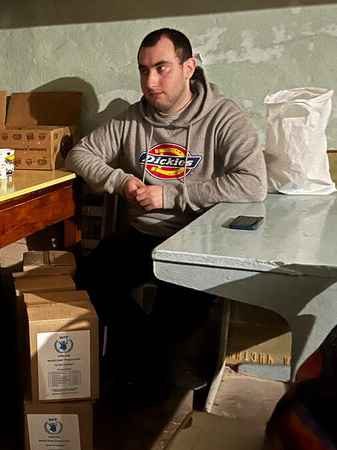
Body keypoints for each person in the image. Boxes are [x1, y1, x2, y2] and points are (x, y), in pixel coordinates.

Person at [65, 28, 267, 393]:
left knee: (163, 355)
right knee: (89, 280)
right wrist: (120, 180)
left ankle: (149, 363)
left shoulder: (223, 117)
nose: (150, 80)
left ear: (188, 67)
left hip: (198, 241)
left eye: (161, 68)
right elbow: (79, 154)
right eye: (143, 70)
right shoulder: (132, 119)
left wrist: (169, 195)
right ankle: (148, 355)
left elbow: (252, 184)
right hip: (145, 235)